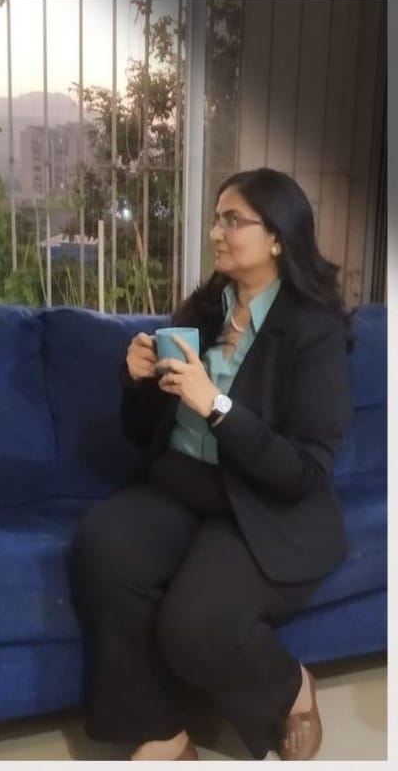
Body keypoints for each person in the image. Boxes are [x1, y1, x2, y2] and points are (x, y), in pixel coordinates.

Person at [70, 167, 353, 761]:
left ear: (277, 237)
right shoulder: (202, 309)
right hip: (179, 485)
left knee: (194, 625)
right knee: (103, 546)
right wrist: (137, 381)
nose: (216, 233)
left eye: (233, 220)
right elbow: (141, 432)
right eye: (217, 218)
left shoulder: (314, 329)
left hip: (258, 502)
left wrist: (217, 406)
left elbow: (306, 468)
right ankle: (162, 728)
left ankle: (291, 688)